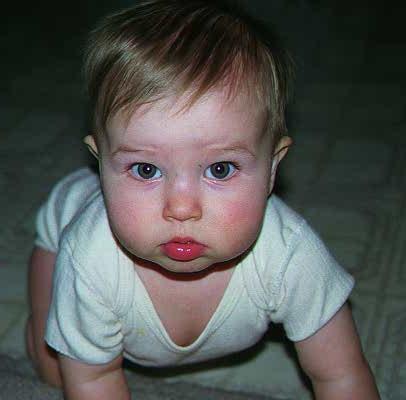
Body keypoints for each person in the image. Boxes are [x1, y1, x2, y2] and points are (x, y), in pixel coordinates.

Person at [26, 1, 380, 399]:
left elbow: (340, 374)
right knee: (53, 369)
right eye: (146, 169)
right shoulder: (89, 258)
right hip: (58, 234)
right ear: (100, 161)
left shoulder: (291, 257)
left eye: (220, 169)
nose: (181, 208)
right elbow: (93, 379)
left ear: (272, 168)